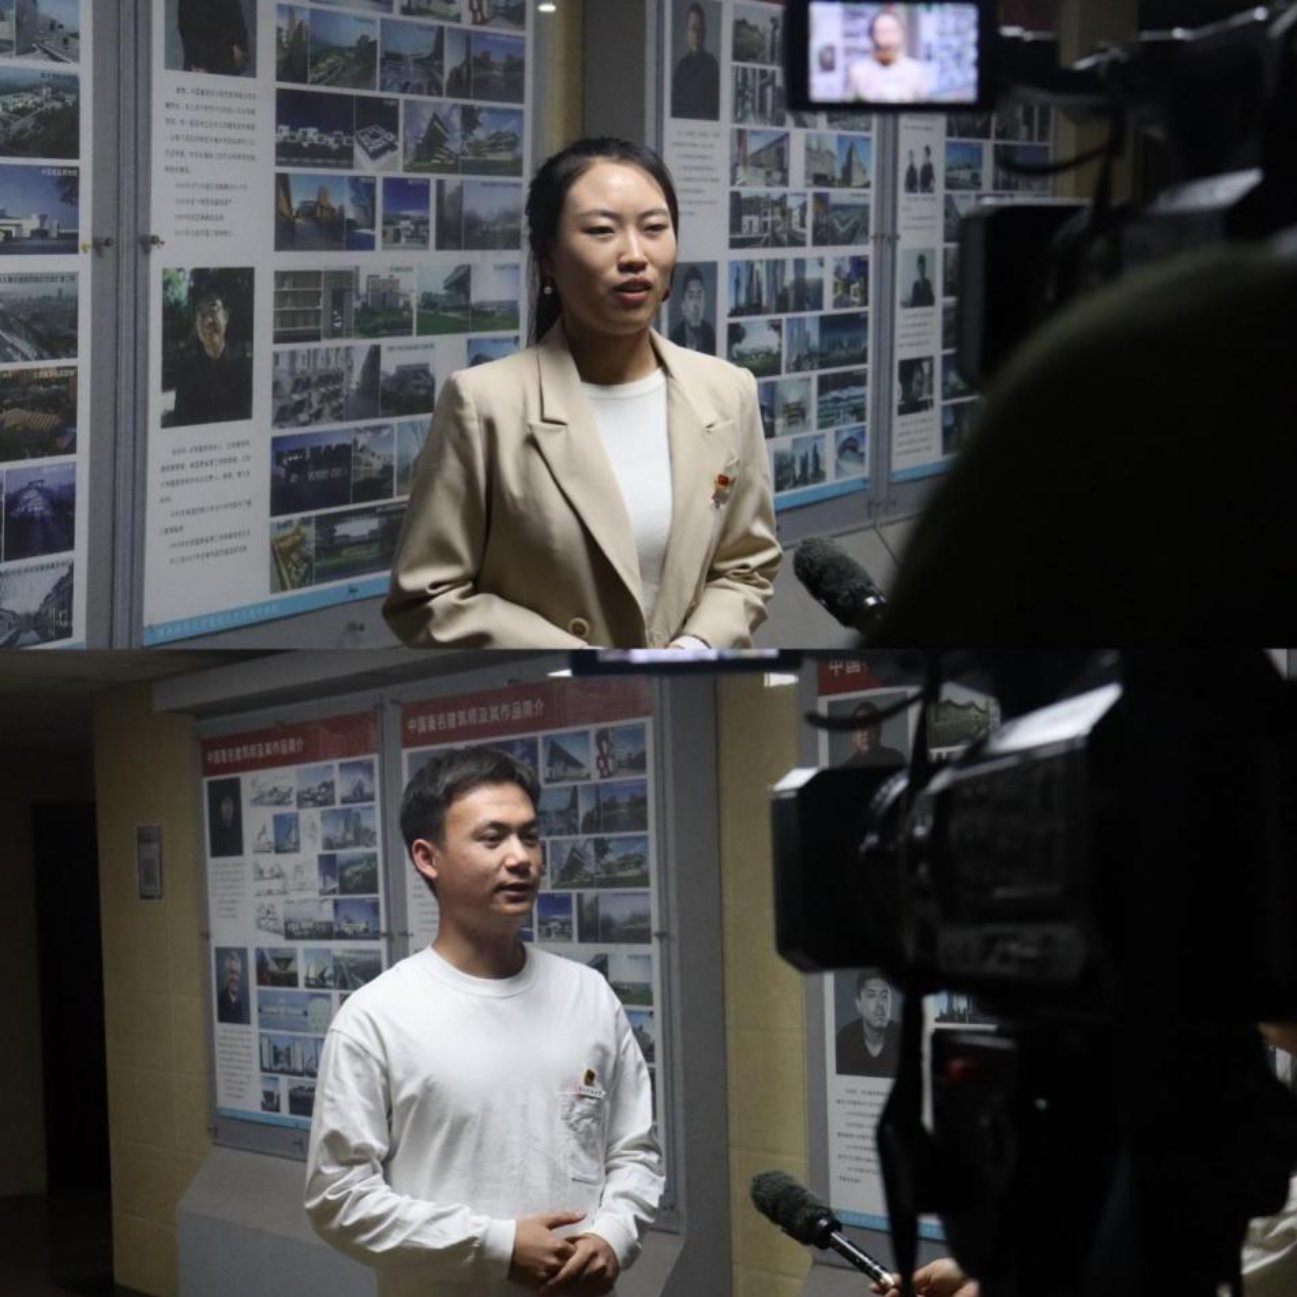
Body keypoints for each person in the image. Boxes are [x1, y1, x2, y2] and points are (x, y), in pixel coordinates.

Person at [385, 136, 781, 648]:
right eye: (601, 231)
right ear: (548, 258)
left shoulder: (727, 391)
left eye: (654, 228)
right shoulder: (483, 403)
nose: (635, 255)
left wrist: (696, 646)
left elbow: (746, 567)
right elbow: (426, 597)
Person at [305, 747, 664, 1297]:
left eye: (530, 837)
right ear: (428, 858)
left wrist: (612, 1235)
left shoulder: (588, 994)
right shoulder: (377, 1017)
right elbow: (339, 1198)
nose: (521, 858)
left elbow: (634, 1151)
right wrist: (496, 1245)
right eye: (492, 839)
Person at [167, 272, 254, 427]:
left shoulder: (245, 368)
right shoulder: (186, 373)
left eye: (213, 310)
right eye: (201, 313)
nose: (207, 320)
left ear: (226, 316)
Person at [847, 11, 932, 104]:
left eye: (893, 32)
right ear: (872, 36)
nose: (888, 38)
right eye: (882, 32)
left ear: (901, 35)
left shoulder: (915, 71)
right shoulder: (858, 72)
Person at [835, 972, 900, 1078]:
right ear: (859, 1004)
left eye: (884, 996)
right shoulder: (844, 1040)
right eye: (871, 995)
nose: (880, 1004)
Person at [671, 2, 720, 120]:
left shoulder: (712, 66)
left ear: (705, 32)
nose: (696, 34)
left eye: (699, 29)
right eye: (692, 28)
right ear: (687, 32)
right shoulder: (680, 69)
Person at [177, 0, 250, 76]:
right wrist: (199, 63)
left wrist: (240, 53)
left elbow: (240, 37)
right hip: (200, 67)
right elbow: (188, 35)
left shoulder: (232, 2)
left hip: (227, 67)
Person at [843, 699, 907, 768]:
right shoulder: (846, 767)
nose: (866, 733)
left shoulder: (896, 758)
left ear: (879, 729)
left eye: (870, 726)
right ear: (854, 734)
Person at [669, 264, 716, 354]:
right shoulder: (674, 339)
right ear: (683, 305)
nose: (696, 305)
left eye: (699, 297)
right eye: (691, 297)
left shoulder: (710, 336)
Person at [215, 948, 250, 1025]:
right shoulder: (218, 1000)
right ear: (226, 974)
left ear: (240, 975)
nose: (234, 977)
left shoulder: (247, 1000)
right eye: (231, 972)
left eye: (236, 973)